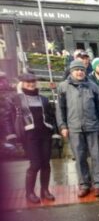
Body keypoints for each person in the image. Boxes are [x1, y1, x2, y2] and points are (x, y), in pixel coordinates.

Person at [56, 59, 99, 197]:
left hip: (92, 127)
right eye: (76, 70)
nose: (79, 72)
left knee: (96, 156)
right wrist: (62, 125)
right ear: (71, 71)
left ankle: (98, 184)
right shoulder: (63, 87)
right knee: (79, 157)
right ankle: (84, 184)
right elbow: (60, 109)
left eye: (82, 70)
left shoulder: (92, 86)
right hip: (74, 128)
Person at [6, 73, 57, 203]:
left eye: (33, 81)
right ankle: (30, 193)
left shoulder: (43, 99)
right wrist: (11, 134)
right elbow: (7, 117)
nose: (31, 84)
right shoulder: (16, 99)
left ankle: (45, 191)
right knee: (35, 164)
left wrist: (54, 130)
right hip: (29, 136)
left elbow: (51, 115)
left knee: (46, 163)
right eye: (27, 81)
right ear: (22, 83)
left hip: (45, 134)